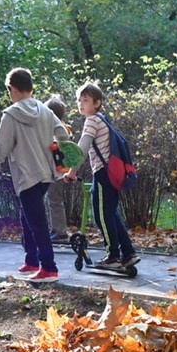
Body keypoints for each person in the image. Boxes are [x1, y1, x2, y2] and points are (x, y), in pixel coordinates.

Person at [0, 68, 67, 283]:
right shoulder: (46, 111)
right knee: (27, 217)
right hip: (46, 174)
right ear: (30, 88)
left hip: (27, 176)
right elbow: (63, 134)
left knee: (36, 221)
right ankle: (31, 260)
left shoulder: (11, 115)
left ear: (12, 89)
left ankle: (49, 268)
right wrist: (54, 148)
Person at [63, 81, 137, 269]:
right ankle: (128, 253)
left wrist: (72, 171)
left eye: (85, 100)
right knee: (112, 214)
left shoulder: (92, 121)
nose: (81, 104)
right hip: (111, 173)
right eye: (79, 100)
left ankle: (113, 255)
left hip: (103, 174)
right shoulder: (102, 119)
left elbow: (83, 147)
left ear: (96, 103)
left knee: (101, 216)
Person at [44, 95, 72, 244]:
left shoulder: (57, 130)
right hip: (58, 170)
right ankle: (55, 229)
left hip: (57, 171)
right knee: (52, 200)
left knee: (55, 200)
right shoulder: (61, 127)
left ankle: (60, 232)